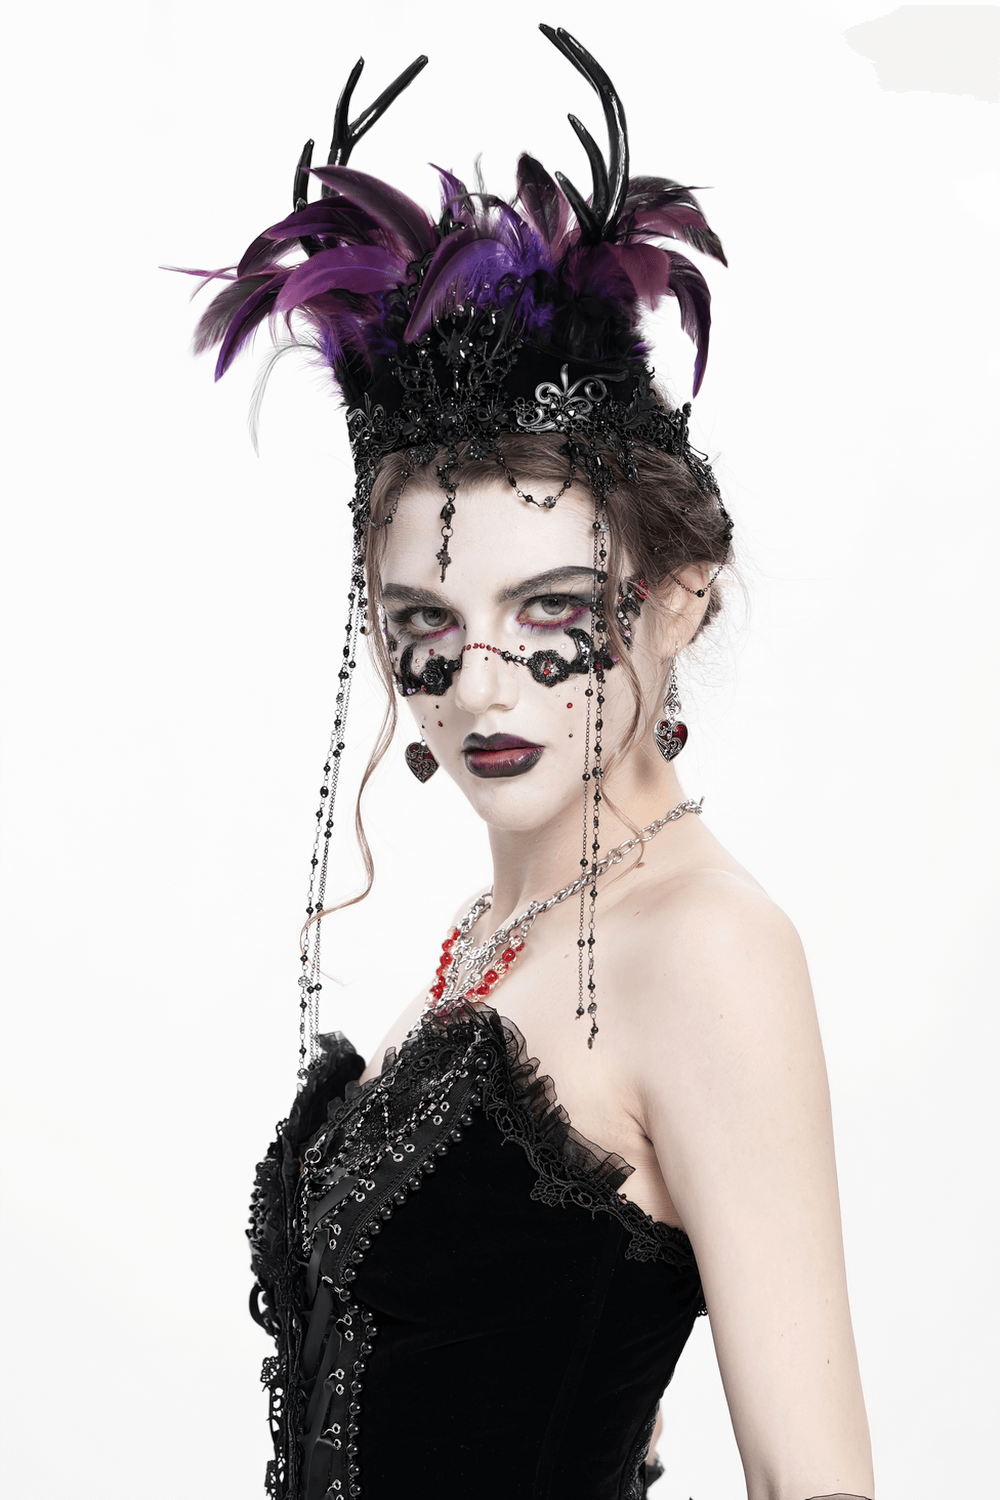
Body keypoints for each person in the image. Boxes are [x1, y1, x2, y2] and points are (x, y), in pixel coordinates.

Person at [190, 25, 874, 1500]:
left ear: (676, 597)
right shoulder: (501, 934)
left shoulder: (703, 947)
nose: (477, 683)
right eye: (424, 621)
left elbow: (818, 1486)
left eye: (549, 612)